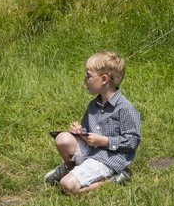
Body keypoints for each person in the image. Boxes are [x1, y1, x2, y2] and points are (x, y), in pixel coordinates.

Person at [44, 51, 141, 194]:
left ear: (104, 79)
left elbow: (132, 142)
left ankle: (114, 178)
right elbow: (88, 133)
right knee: (62, 139)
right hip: (92, 151)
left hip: (109, 158)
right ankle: (71, 169)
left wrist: (104, 141)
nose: (85, 80)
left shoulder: (125, 108)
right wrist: (79, 132)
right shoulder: (93, 104)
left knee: (67, 186)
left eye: (88, 76)